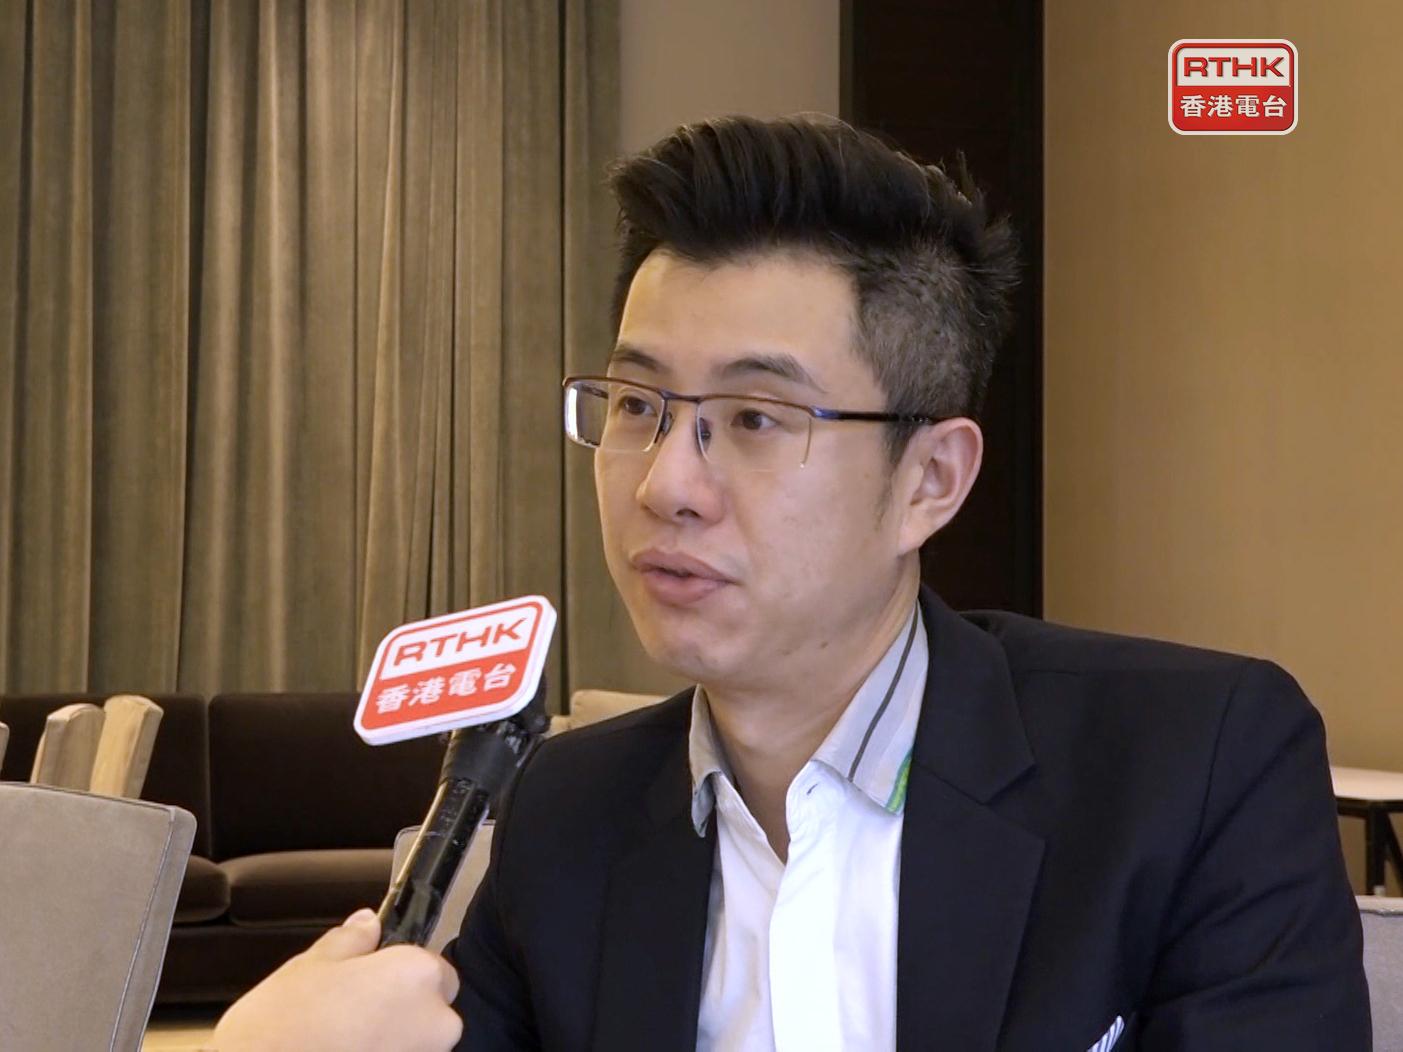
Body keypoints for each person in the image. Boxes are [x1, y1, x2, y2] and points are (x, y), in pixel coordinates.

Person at [214, 115, 1370, 1051]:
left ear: (929, 479)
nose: (664, 483)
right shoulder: (563, 812)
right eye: (637, 404)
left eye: (755, 418)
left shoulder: (1190, 765)